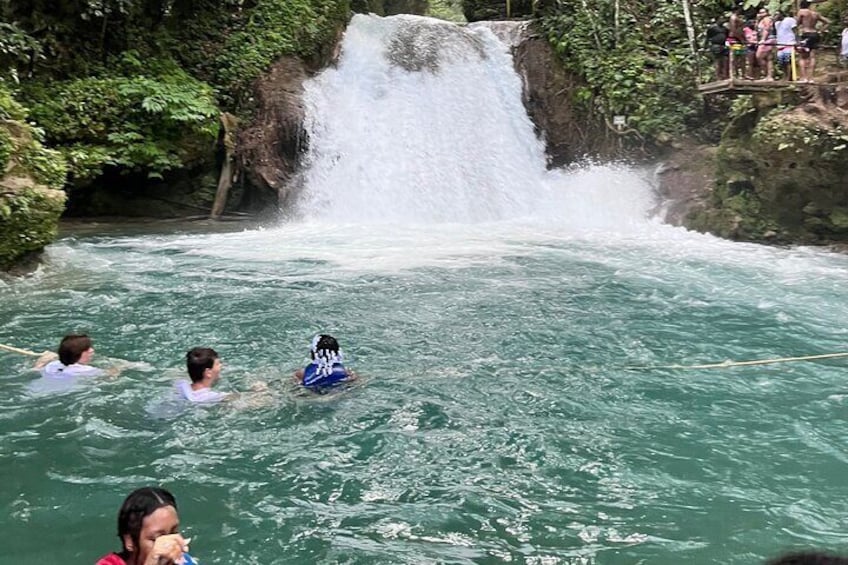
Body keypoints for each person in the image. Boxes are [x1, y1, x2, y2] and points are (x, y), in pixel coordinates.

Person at [96, 486, 195, 565]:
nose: (169, 546)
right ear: (129, 541)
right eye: (156, 538)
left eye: (174, 533)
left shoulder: (182, 561)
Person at [34, 333, 107, 379]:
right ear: (79, 353)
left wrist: (42, 360)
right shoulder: (87, 371)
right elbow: (110, 376)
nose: (91, 350)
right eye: (87, 349)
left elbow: (37, 369)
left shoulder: (52, 364)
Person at [797, 0, 830, 82]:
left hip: (806, 34)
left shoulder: (802, 11)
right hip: (815, 34)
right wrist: (820, 31)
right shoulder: (815, 13)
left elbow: (797, 23)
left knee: (802, 56)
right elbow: (827, 22)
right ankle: (811, 78)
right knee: (812, 57)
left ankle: (804, 78)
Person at [774, 10, 798, 79]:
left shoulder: (790, 20)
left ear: (781, 14)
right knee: (782, 62)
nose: (775, 16)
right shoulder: (777, 23)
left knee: (788, 61)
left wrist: (797, 41)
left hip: (789, 43)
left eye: (777, 14)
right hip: (780, 45)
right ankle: (785, 75)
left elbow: (795, 31)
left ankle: (788, 77)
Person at [755, 7, 777, 80]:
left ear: (767, 13)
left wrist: (763, 39)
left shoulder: (767, 19)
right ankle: (768, 76)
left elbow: (766, 29)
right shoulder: (761, 20)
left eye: (763, 12)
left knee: (759, 56)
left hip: (768, 39)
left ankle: (767, 74)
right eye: (760, 12)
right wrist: (757, 20)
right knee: (768, 58)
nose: (761, 14)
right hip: (767, 39)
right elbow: (756, 29)